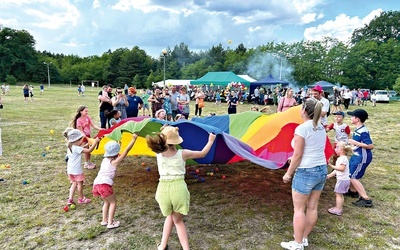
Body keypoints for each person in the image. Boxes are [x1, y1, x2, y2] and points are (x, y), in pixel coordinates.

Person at [146, 126, 216, 250]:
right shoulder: (183, 153)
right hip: (178, 189)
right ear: (177, 141)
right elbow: (203, 154)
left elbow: (161, 139)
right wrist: (210, 140)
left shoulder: (158, 153)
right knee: (177, 221)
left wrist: (164, 130)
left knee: (169, 216)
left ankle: (162, 246)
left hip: (162, 190)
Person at [281, 98, 327, 250]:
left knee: (299, 209)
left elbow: (298, 155)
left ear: (305, 111)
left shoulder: (302, 129)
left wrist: (288, 173)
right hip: (321, 168)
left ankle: (298, 243)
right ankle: (304, 238)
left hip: (306, 171)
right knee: (312, 207)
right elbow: (312, 148)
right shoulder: (320, 126)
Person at [92, 133, 138, 229]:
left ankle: (104, 220)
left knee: (106, 202)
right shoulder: (114, 161)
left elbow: (117, 153)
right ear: (116, 153)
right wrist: (133, 139)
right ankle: (110, 223)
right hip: (105, 185)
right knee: (113, 202)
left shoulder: (105, 160)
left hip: (96, 184)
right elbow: (126, 151)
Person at [64, 129, 100, 205]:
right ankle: (81, 199)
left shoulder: (70, 146)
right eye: (81, 139)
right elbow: (89, 150)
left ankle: (70, 199)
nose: (82, 141)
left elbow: (79, 149)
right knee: (80, 184)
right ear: (77, 140)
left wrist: (85, 145)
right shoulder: (77, 148)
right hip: (77, 171)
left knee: (74, 183)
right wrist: (95, 142)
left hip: (70, 170)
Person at [346, 109, 374, 207]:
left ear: (357, 119)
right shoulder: (358, 129)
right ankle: (353, 191)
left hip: (362, 157)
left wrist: (355, 143)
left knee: (353, 176)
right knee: (351, 172)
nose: (350, 118)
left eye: (352, 116)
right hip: (357, 155)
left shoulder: (363, 131)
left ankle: (366, 199)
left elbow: (370, 145)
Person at [326, 142, 352, 216]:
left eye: (337, 147)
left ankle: (338, 209)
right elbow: (337, 170)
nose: (335, 149)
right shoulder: (342, 158)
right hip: (344, 179)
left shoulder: (342, 159)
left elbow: (341, 169)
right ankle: (339, 207)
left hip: (342, 180)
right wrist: (330, 175)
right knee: (340, 195)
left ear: (342, 150)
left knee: (338, 195)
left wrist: (331, 165)